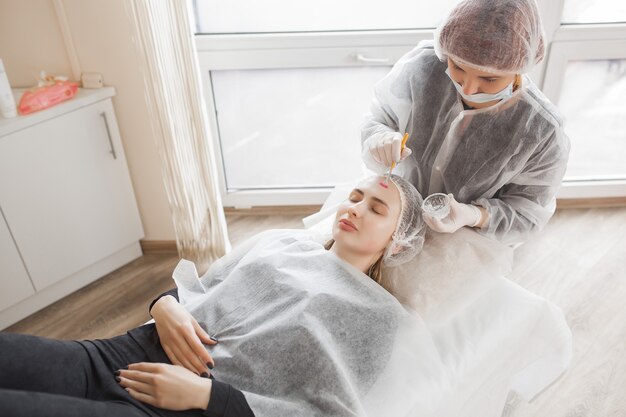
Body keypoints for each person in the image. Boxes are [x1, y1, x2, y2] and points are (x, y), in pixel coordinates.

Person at [0, 174, 426, 417]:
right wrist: (163, 305)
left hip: (176, 410)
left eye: (376, 209)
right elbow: (202, 289)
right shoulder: (281, 243)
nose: (354, 209)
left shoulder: (380, 316)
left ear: (398, 243)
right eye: (356, 197)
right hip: (117, 355)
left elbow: (326, 414)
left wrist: (208, 397)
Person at [361, 0, 571, 246]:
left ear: (519, 68)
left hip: (464, 243)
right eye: (458, 67)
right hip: (391, 218)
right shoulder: (424, 66)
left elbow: (527, 214)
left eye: (489, 78)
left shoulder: (541, 132)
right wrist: (380, 137)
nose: (468, 87)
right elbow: (379, 116)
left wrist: (474, 215)